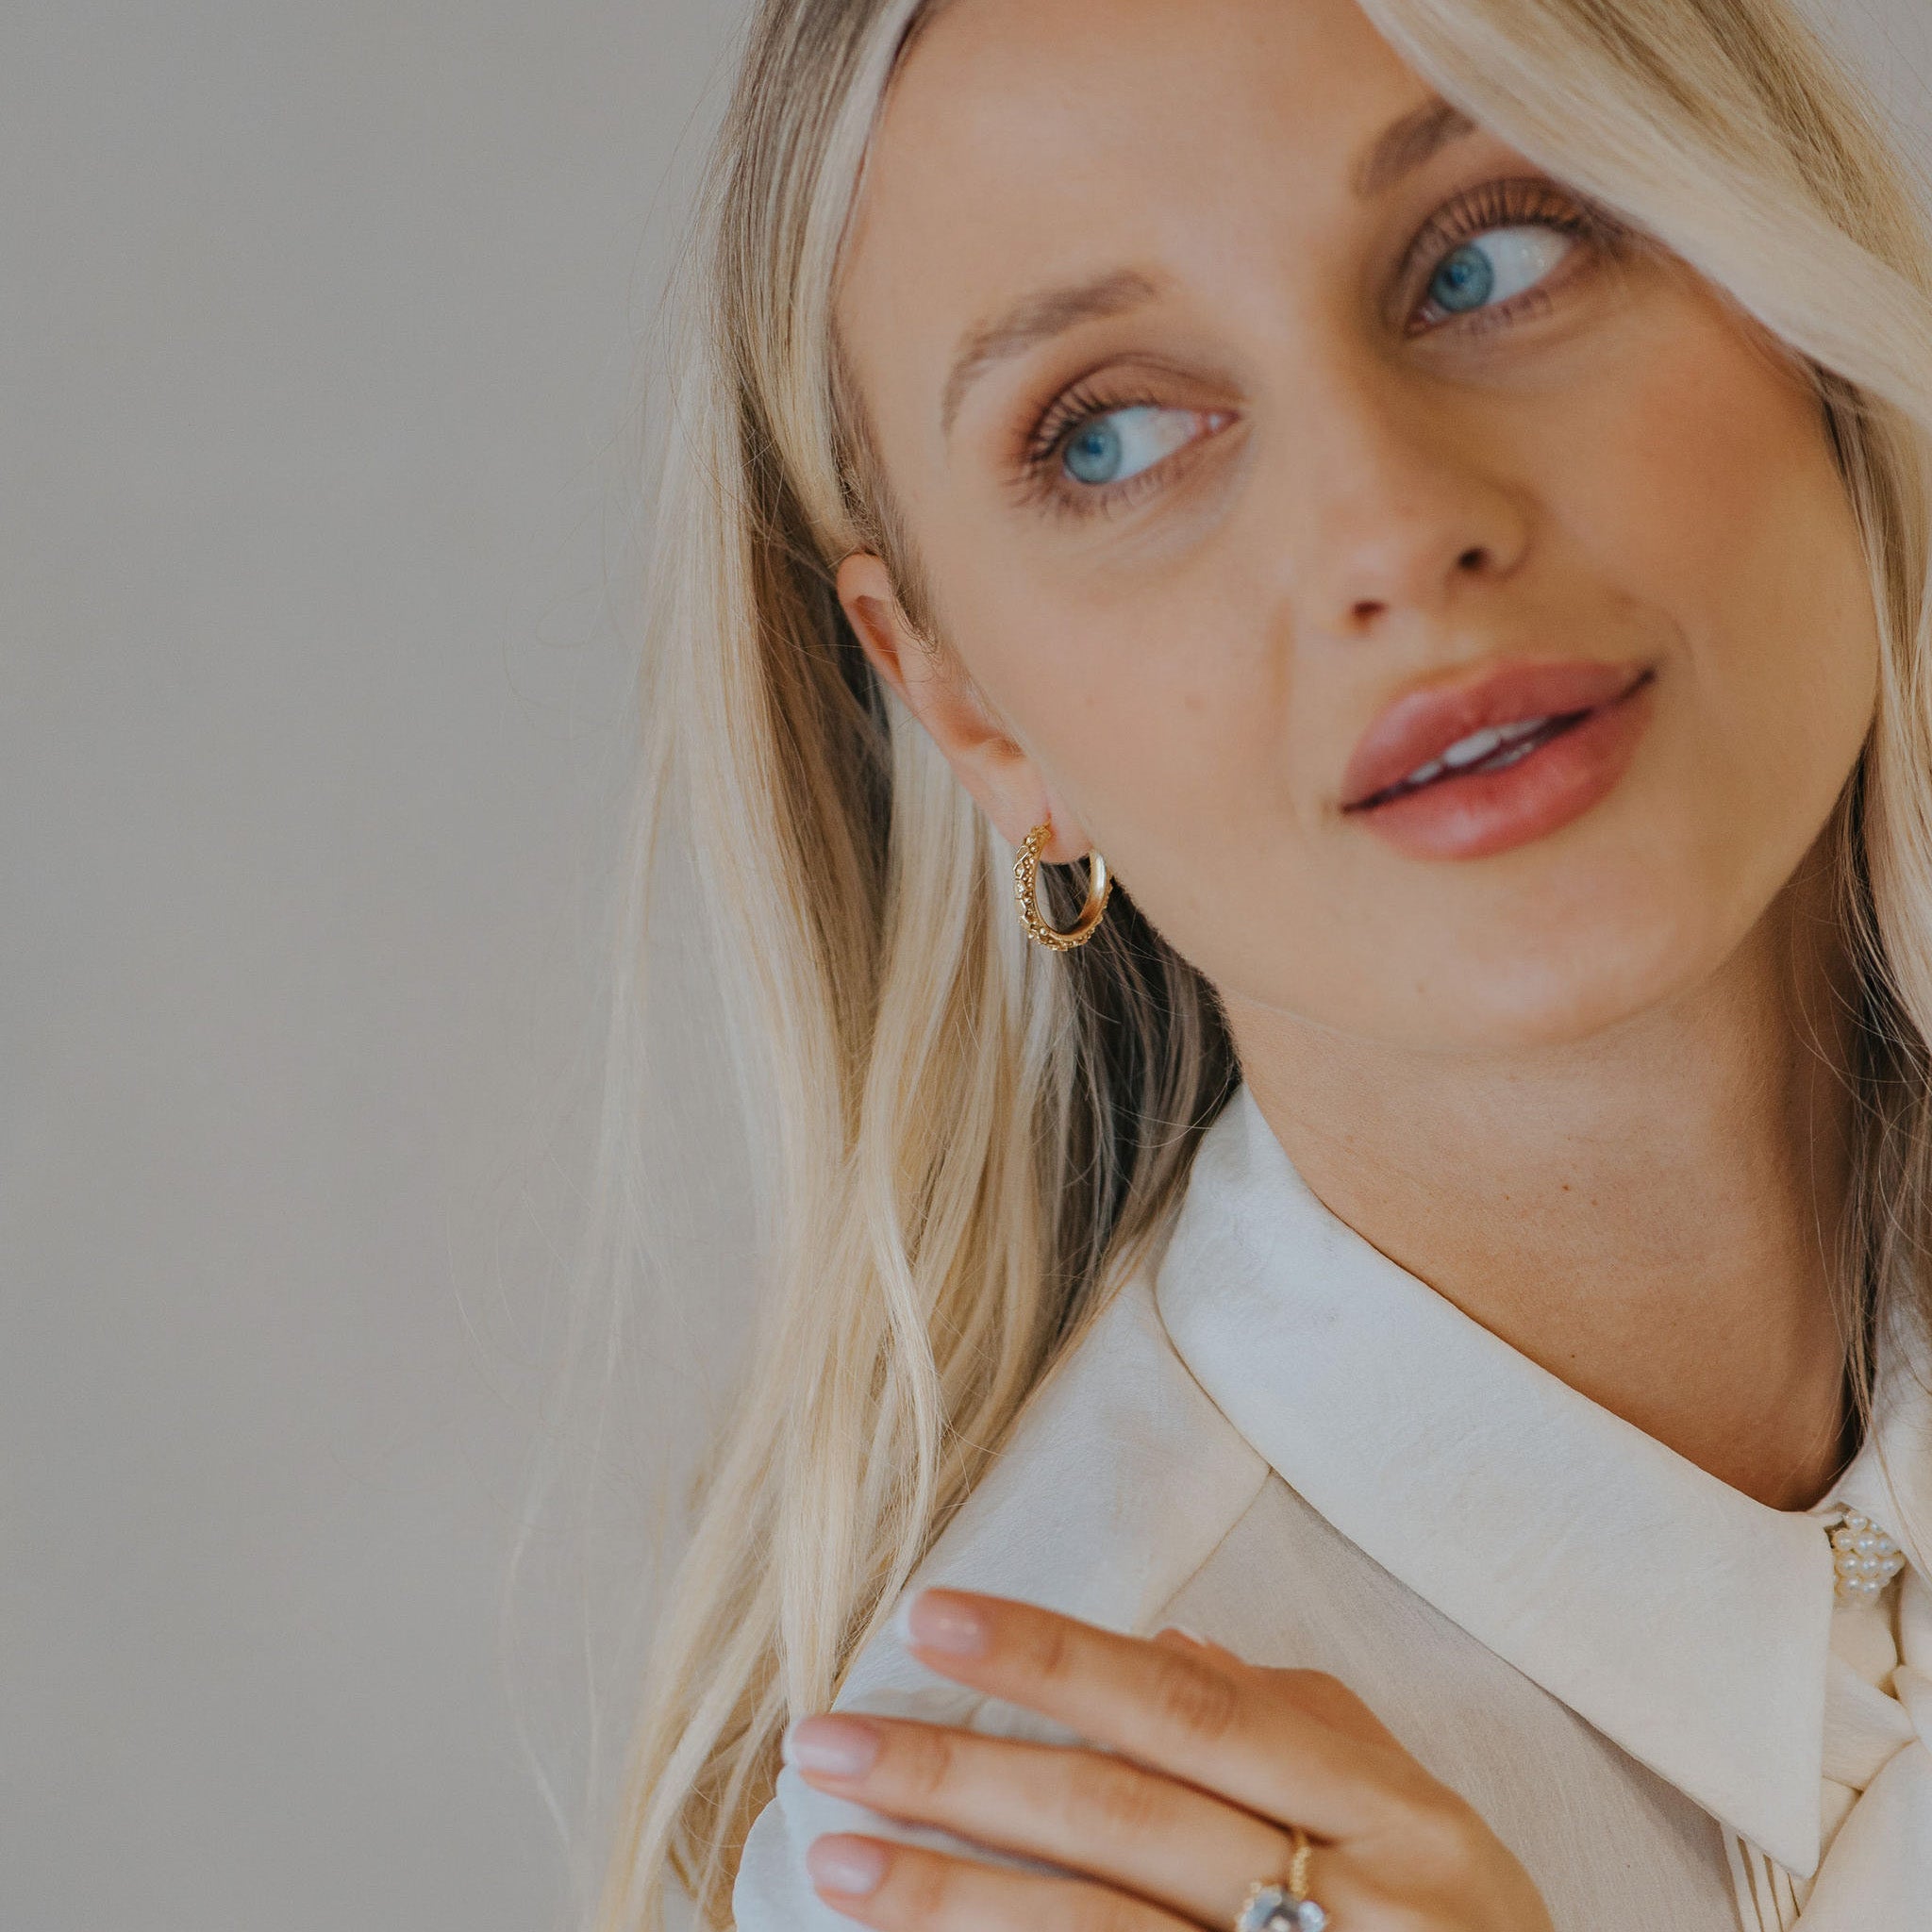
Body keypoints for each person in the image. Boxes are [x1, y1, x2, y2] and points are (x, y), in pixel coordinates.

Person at [591, 0, 1932, 1927]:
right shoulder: (1010, 1868)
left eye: (1486, 260)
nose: (1392, 524)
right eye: (1112, 437)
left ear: (1784, 284)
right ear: (971, 712)